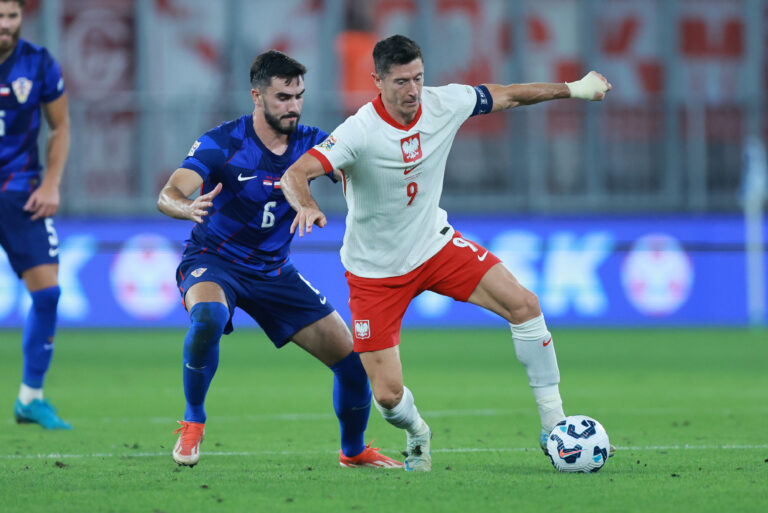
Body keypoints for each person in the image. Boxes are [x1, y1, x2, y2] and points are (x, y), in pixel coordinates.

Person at [282, 34, 614, 471]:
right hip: (374, 273)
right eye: (401, 81)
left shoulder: (445, 102)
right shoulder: (359, 131)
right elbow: (296, 172)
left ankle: (553, 424)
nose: (413, 90)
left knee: (526, 306)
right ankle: (418, 431)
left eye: (418, 77)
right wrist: (306, 203)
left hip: (435, 246)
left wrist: (573, 88)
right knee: (386, 396)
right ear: (377, 81)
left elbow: (510, 96)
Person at [157, 50, 402, 469]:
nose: (293, 106)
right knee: (209, 317)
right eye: (283, 97)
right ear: (257, 96)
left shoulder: (312, 143)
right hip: (215, 260)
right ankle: (194, 419)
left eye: (299, 96)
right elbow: (170, 193)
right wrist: (186, 207)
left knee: (352, 363)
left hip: (273, 272)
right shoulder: (224, 142)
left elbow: (359, 172)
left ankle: (354, 450)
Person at [0, 0, 71, 430]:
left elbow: (61, 126)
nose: (4, 25)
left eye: (10, 16)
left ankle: (31, 397)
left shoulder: (38, 63)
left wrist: (51, 184)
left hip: (21, 193)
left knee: (47, 295)